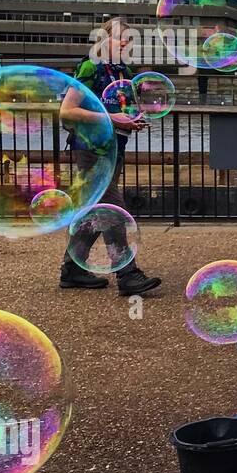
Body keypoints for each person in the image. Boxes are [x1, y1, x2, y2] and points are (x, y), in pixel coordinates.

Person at [58, 17, 161, 294]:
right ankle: (127, 274)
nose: (126, 42)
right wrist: (112, 118)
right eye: (119, 37)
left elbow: (121, 111)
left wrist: (131, 121)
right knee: (114, 210)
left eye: (129, 39)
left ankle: (72, 269)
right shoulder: (90, 67)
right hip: (91, 150)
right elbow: (67, 111)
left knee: (96, 211)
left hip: (114, 148)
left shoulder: (123, 71)